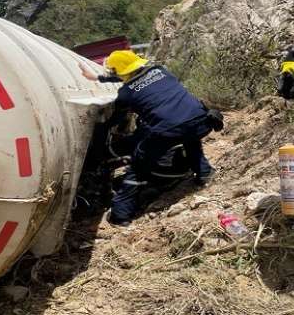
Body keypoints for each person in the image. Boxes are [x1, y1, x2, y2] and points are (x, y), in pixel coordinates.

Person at [79, 50, 216, 227]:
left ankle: (120, 215)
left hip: (169, 130)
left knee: (138, 166)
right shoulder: (161, 70)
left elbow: (117, 116)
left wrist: (103, 126)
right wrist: (98, 78)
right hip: (202, 120)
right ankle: (205, 174)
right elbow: (137, 81)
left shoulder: (125, 94)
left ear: (118, 72)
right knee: (190, 137)